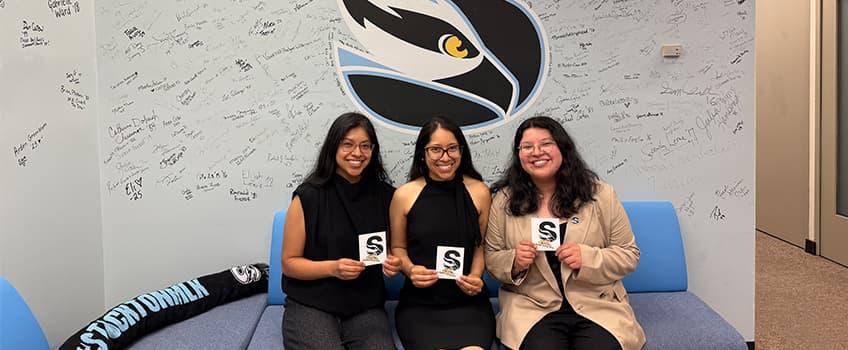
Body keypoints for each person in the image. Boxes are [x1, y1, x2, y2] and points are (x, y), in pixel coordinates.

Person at [484, 116, 646, 350]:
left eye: (546, 143)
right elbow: (492, 257)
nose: (536, 152)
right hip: (532, 307)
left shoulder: (601, 195)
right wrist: (514, 262)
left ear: (562, 147)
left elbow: (629, 254)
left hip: (596, 304)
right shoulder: (504, 201)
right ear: (519, 155)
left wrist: (587, 258)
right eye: (527, 147)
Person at [281, 112, 402, 350]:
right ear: (333, 147)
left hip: (365, 304)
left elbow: (394, 250)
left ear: (373, 151)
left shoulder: (387, 196)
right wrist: (332, 268)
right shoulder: (308, 196)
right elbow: (289, 263)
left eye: (365, 146)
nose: (357, 153)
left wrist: (394, 263)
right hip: (311, 302)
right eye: (348, 144)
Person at [389, 116, 495, 350]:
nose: (445, 157)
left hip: (469, 304)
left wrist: (477, 276)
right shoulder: (404, 195)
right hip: (419, 306)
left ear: (462, 151)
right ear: (423, 153)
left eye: (452, 149)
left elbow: (482, 245)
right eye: (436, 149)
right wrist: (410, 269)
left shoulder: (480, 192)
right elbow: (397, 248)